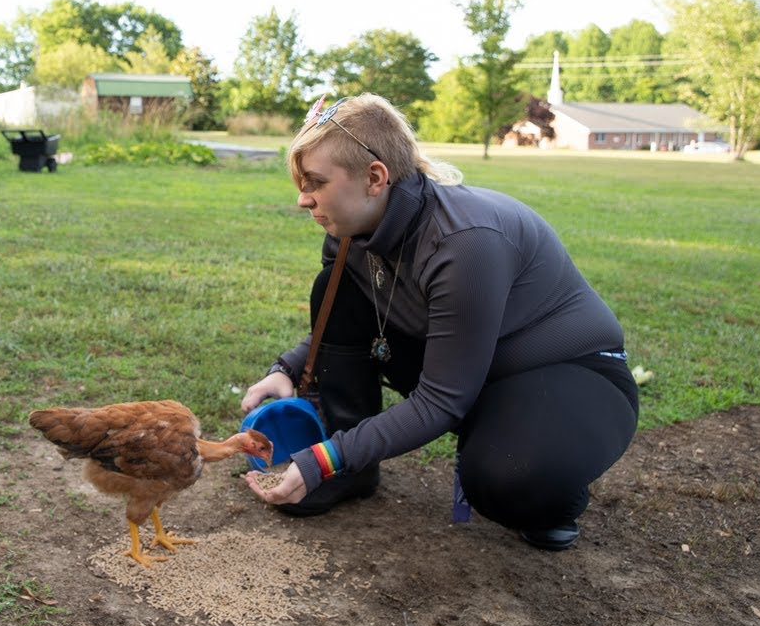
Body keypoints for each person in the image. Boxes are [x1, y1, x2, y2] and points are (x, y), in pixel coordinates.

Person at [241, 94, 638, 551]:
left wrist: (322, 460)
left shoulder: (465, 242)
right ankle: (352, 470)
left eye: (315, 181)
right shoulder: (349, 232)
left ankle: (550, 486)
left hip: (566, 372)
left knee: (508, 478)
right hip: (469, 366)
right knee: (335, 286)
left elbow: (442, 399)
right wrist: (288, 368)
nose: (302, 198)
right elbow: (355, 319)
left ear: (375, 178)